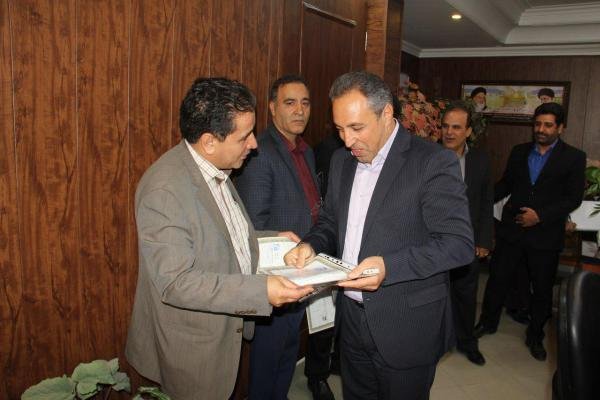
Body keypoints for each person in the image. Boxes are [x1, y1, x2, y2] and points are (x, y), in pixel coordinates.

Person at [284, 71, 474, 400]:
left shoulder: (432, 161)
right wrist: (311, 244)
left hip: (407, 325)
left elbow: (458, 245)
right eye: (340, 129)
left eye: (357, 128)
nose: (347, 141)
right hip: (351, 321)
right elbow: (330, 221)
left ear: (386, 113)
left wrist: (389, 266)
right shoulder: (342, 161)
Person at [125, 77, 313, 400]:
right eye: (244, 137)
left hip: (221, 336)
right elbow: (176, 282)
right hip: (190, 349)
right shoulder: (165, 190)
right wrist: (262, 290)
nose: (254, 144)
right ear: (210, 141)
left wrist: (273, 241)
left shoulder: (215, 167)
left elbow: (223, 235)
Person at [235, 75, 335, 400]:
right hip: (276, 279)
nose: (299, 110)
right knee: (268, 361)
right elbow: (254, 226)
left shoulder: (305, 150)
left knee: (288, 352)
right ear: (272, 107)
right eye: (290, 103)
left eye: (305, 103)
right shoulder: (260, 152)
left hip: (304, 271)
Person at [474, 102, 586, 361]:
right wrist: (480, 201)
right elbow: (506, 184)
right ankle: (487, 323)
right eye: (537, 124)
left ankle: (535, 336)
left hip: (545, 236)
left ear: (560, 127)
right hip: (512, 231)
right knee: (497, 280)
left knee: (542, 288)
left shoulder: (574, 157)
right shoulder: (519, 151)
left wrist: (540, 215)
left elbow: (573, 198)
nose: (541, 129)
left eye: (548, 125)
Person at [441, 102, 494, 366]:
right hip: (434, 241)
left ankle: (467, 342)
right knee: (437, 296)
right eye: (445, 126)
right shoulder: (427, 155)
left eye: (456, 127)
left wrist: (484, 239)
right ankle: (437, 343)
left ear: (468, 131)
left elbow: (486, 202)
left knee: (465, 294)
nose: (449, 132)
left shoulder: (481, 161)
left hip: (466, 241)